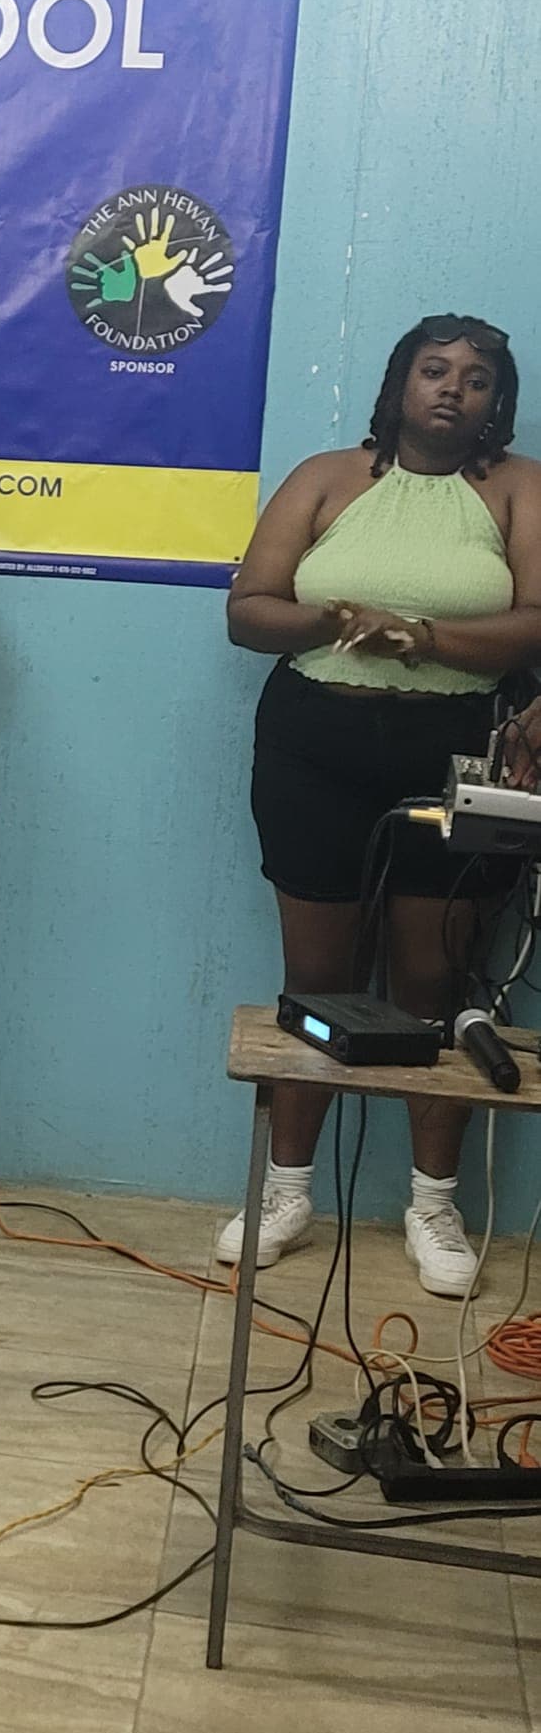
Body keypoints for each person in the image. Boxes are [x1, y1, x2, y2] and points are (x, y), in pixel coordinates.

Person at [222, 313, 541, 1294]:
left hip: (458, 753)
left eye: (476, 378)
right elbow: (248, 610)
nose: (452, 388)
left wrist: (422, 637)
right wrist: (335, 617)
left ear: (498, 400)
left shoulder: (520, 488)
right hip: (313, 741)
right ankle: (286, 1188)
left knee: (435, 984)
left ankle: (433, 1202)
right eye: (434, 369)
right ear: (400, 382)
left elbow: (535, 620)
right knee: (317, 980)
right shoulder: (326, 476)